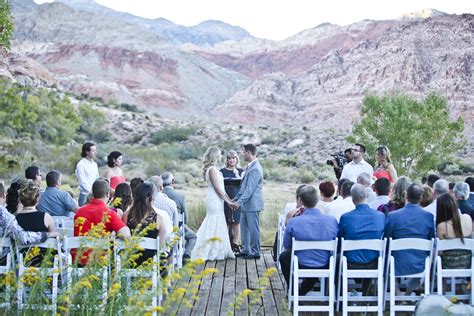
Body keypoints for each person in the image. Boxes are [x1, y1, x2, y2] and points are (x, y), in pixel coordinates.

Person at [279, 185, 338, 295]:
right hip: (324, 263)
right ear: (317, 199)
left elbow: (286, 245)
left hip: (300, 262)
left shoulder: (294, 222)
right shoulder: (331, 221)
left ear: (300, 200)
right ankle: (303, 289)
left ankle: (293, 288)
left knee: (284, 257)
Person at [384, 183, 435, 292]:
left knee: (386, 254)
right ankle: (408, 292)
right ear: (420, 198)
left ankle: (397, 292)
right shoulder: (428, 216)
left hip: (397, 262)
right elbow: (432, 239)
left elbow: (387, 238)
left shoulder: (393, 216)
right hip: (420, 263)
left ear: (406, 196)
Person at [338, 183, 385, 294]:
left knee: (335, 258)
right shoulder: (380, 216)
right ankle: (365, 291)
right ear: (367, 196)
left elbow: (340, 240)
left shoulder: (346, 218)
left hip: (350, 263)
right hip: (374, 263)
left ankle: (337, 296)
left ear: (352, 199)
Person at [191, 146, 236, 261]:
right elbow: (217, 188)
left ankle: (218, 249)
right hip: (214, 200)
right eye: (220, 154)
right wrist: (227, 201)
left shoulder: (214, 169)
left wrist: (229, 200)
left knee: (219, 221)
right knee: (212, 222)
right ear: (215, 155)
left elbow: (222, 189)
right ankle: (206, 250)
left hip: (218, 200)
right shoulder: (212, 170)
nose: (221, 156)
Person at [122, 182, 167, 266]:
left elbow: (121, 239)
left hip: (129, 262)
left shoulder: (126, 216)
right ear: (151, 198)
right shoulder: (158, 219)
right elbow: (161, 245)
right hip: (149, 264)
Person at [233, 144, 264, 260]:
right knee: (244, 228)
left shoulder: (255, 168)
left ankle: (256, 252)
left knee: (253, 228)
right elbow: (244, 188)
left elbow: (249, 190)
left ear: (248, 152)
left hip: (253, 204)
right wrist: (235, 200)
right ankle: (246, 249)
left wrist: (238, 203)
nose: (242, 155)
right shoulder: (250, 166)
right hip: (246, 204)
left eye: (243, 152)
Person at [16, 180, 57, 266]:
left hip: (23, 260)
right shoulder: (45, 217)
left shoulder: (15, 219)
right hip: (45, 261)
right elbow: (55, 238)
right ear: (38, 198)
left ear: (20, 199)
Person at [162, 172, 196, 262]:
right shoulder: (180, 196)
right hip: (175, 228)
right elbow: (185, 219)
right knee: (193, 236)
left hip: (160, 228)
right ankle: (186, 255)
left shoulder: (156, 196)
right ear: (172, 182)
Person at [436, 193, 472, 269]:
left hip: (448, 264)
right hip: (468, 262)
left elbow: (440, 250)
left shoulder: (442, 226)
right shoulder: (468, 218)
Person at [219, 150, 244, 253]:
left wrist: (237, 174)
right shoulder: (222, 171)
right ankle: (227, 243)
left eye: (233, 158)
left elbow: (243, 185)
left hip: (237, 198)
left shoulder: (241, 171)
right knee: (227, 221)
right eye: (229, 158)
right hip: (225, 198)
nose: (231, 160)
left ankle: (236, 243)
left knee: (237, 222)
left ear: (236, 159)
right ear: (227, 160)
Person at [75, 142, 99, 207]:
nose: (95, 152)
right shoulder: (81, 165)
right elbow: (82, 182)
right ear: (87, 152)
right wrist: (92, 192)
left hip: (95, 195)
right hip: (85, 196)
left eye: (95, 150)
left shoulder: (94, 164)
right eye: (93, 151)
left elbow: (97, 179)